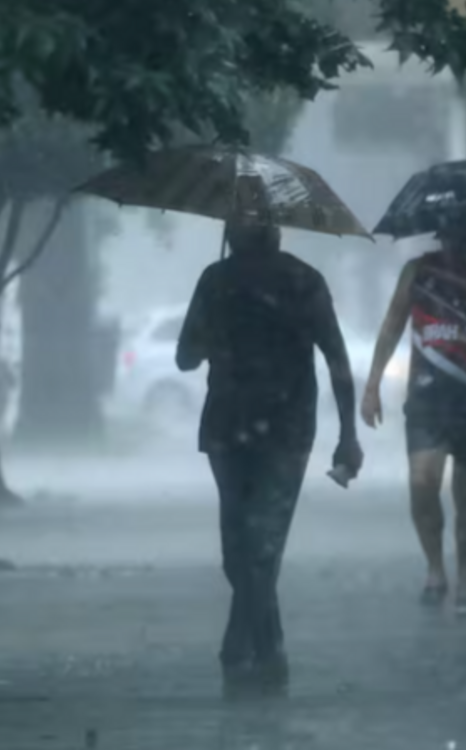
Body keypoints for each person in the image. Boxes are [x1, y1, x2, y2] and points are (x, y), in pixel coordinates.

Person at [176, 218, 364, 692]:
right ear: (275, 233)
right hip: (272, 430)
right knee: (257, 547)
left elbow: (185, 356)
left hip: (248, 429)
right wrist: (347, 434)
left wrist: (217, 333)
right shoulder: (290, 282)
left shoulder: (227, 281)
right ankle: (266, 641)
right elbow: (337, 360)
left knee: (244, 548)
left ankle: (245, 645)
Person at [361, 218, 466, 614]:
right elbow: (391, 326)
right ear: (442, 236)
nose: (459, 244)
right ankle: (435, 567)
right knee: (423, 482)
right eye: (452, 236)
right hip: (427, 398)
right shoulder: (418, 271)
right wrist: (372, 385)